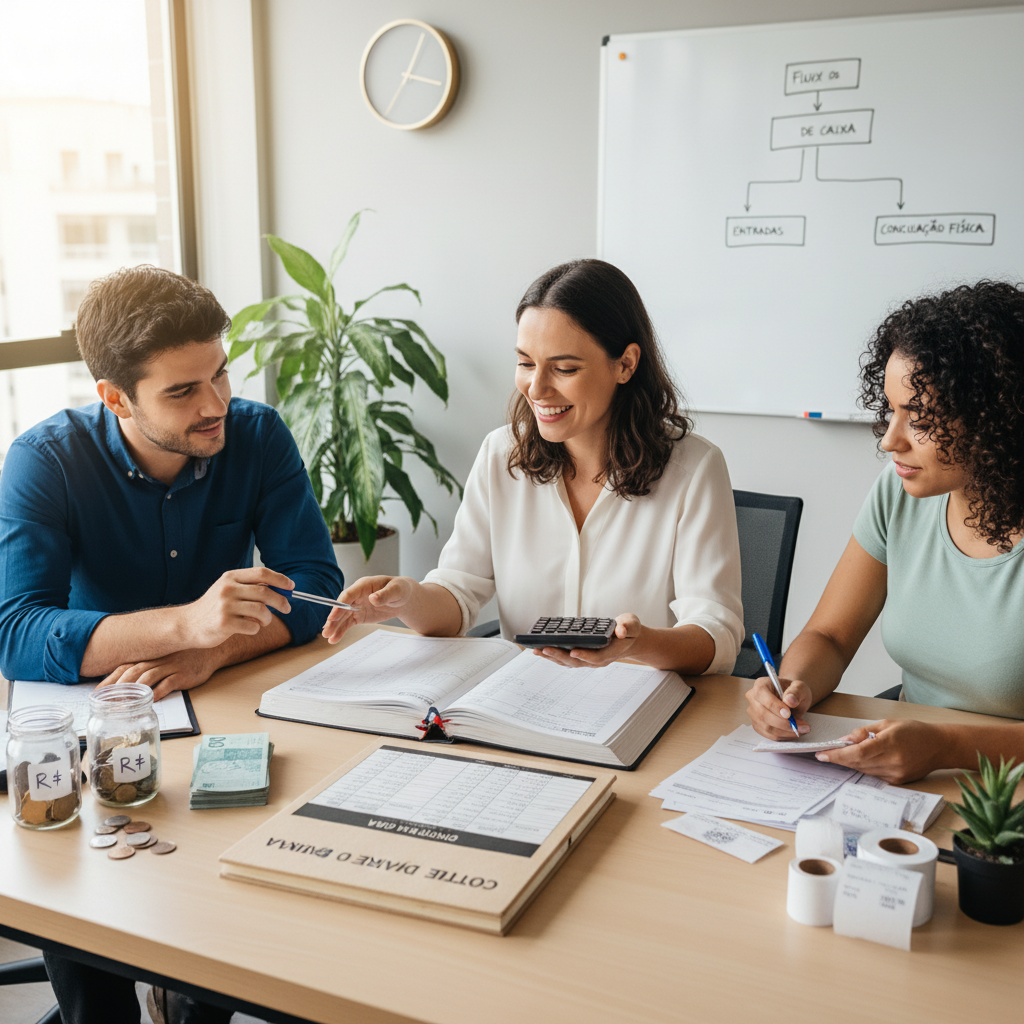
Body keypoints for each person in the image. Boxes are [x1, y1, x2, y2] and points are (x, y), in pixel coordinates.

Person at [0, 265, 342, 1024]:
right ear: (115, 397)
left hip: (221, 716)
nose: (216, 404)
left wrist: (211, 651)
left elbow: (317, 587)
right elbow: (16, 630)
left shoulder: (257, 436)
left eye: (219, 374)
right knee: (92, 965)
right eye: (182, 391)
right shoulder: (45, 460)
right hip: (99, 726)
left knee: (220, 944)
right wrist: (185, 623)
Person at [323, 258, 744, 677]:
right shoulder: (500, 454)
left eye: (564, 368)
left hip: (643, 710)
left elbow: (717, 636)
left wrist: (641, 644)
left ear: (626, 364)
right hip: (522, 703)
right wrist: (406, 599)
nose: (536, 389)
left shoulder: (695, 469)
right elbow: (457, 595)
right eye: (526, 363)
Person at [746, 280, 1024, 784]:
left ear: (996, 417)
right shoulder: (899, 492)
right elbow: (830, 636)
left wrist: (946, 746)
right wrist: (792, 686)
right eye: (890, 410)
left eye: (917, 417)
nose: (890, 441)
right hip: (913, 767)